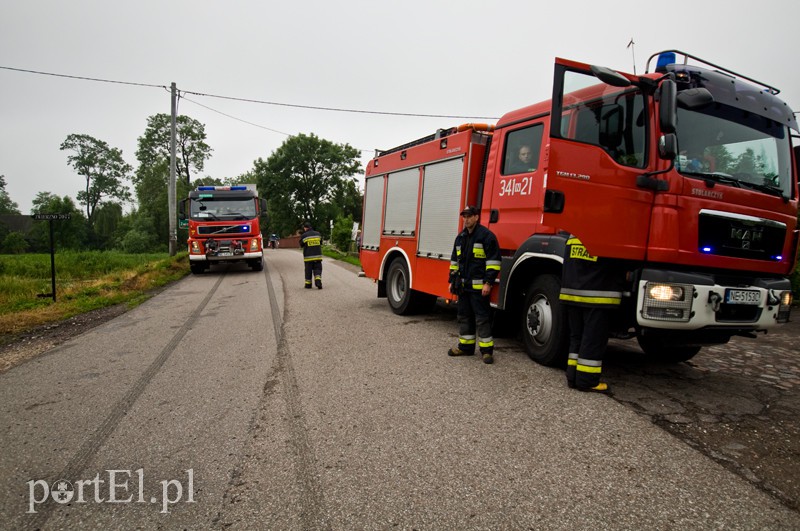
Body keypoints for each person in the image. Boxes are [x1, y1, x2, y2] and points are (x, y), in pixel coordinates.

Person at [559, 236, 625, 393]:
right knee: (593, 339)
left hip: (572, 295)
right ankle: (587, 381)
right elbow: (616, 264)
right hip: (597, 296)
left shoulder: (573, 236)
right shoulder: (603, 234)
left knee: (577, 337)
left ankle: (573, 376)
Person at [447, 206, 501, 364]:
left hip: (479, 289)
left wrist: (488, 283)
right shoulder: (461, 238)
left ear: (477, 217)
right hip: (463, 288)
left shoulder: (486, 236)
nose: (466, 219)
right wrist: (452, 281)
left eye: (469, 216)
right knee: (464, 317)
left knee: (482, 319)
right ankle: (465, 347)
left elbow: (494, 262)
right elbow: (454, 262)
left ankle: (486, 351)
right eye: (464, 216)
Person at [300, 222, 323, 289]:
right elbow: (321, 242)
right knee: (318, 269)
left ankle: (308, 285)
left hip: (308, 257)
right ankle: (318, 280)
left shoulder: (304, 235)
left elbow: (301, 244)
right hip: (318, 256)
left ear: (305, 228)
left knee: (308, 271)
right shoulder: (318, 234)